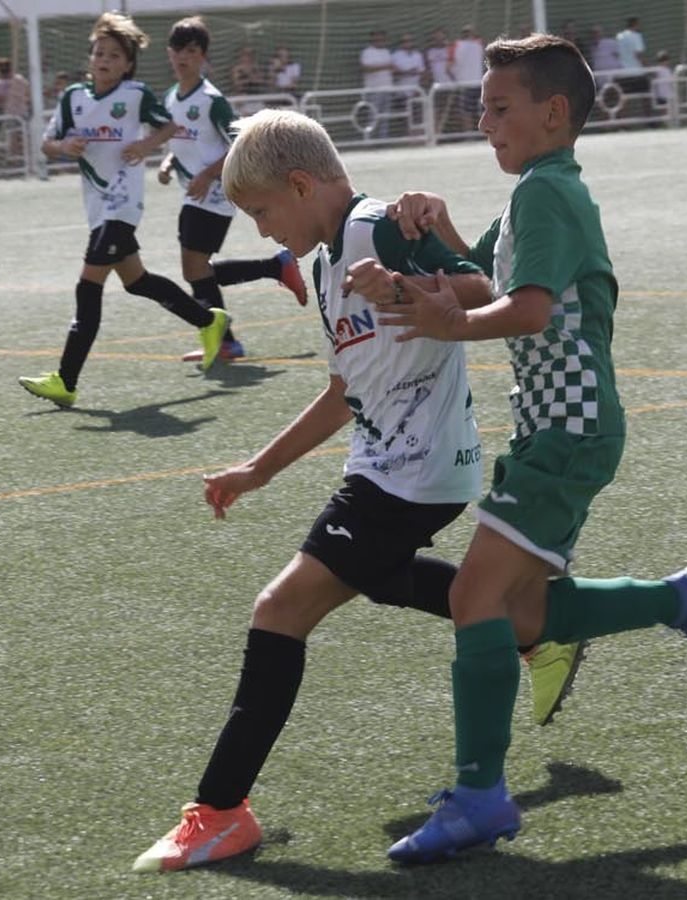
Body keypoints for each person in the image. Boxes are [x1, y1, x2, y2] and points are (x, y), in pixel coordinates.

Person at [374, 34, 687, 864]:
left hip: (566, 430)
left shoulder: (547, 195)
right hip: (555, 428)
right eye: (481, 106)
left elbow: (526, 309)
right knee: (523, 612)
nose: (483, 120)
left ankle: (479, 797)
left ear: (554, 113)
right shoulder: (540, 189)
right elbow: (486, 274)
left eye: (499, 107)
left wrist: (451, 321)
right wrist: (434, 235)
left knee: (473, 597)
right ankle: (683, 598)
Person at [131, 107, 495, 873]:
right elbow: (343, 390)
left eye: (262, 212)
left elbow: (486, 287)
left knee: (280, 609)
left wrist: (406, 280)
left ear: (300, 184)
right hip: (381, 465)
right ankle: (540, 623)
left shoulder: (374, 229)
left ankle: (221, 811)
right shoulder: (330, 263)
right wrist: (257, 470)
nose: (261, 232)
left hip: (417, 472)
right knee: (401, 584)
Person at [18, 12, 232, 409]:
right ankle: (208, 320)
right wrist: (65, 148)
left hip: (123, 206)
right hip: (96, 207)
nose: (104, 60)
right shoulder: (73, 99)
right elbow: (47, 142)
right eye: (99, 53)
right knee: (138, 282)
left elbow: (167, 127)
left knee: (88, 286)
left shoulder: (134, 95)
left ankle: (65, 380)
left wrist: (146, 146)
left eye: (114, 55)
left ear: (127, 64)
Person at [156, 16, 307, 363]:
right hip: (192, 192)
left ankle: (224, 339)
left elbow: (240, 143)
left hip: (216, 192)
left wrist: (208, 174)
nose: (184, 57)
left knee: (194, 268)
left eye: (192, 51)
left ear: (203, 57)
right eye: (178, 50)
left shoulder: (211, 100)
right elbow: (182, 143)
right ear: (169, 53)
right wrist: (168, 164)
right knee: (198, 269)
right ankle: (274, 269)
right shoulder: (170, 98)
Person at [358, 30, 394, 139]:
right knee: (372, 116)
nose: (379, 42)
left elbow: (392, 67)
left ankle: (383, 139)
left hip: (388, 88)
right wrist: (384, 67)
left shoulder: (386, 52)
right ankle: (369, 139)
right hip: (373, 89)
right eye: (377, 39)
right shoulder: (367, 52)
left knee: (385, 116)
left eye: (382, 39)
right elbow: (365, 68)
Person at [616, 17, 649, 114]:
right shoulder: (636, 36)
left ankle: (623, 124)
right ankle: (650, 121)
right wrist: (647, 66)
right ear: (635, 24)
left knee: (624, 99)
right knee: (647, 97)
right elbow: (638, 54)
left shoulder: (619, 36)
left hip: (624, 73)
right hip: (637, 73)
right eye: (638, 24)